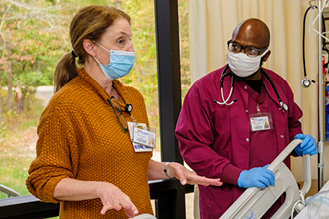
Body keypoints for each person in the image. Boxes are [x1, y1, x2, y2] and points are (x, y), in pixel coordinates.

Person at [26, 5, 222, 219]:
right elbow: (44, 180)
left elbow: (132, 164)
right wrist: (100, 189)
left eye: (130, 40)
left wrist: (169, 169)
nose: (130, 49)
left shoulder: (133, 99)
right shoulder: (65, 105)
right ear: (91, 47)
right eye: (121, 41)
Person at [175, 18, 318, 219]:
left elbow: (291, 125)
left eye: (250, 50)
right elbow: (192, 147)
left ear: (265, 55)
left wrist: (298, 141)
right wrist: (238, 175)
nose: (240, 54)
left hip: (276, 199)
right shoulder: (204, 91)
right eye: (235, 46)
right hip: (227, 202)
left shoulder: (279, 87)